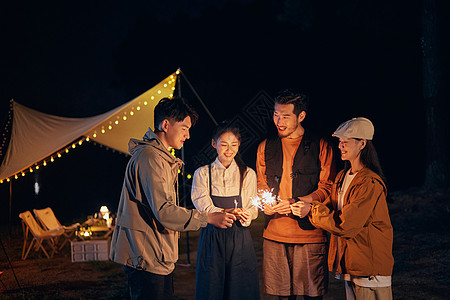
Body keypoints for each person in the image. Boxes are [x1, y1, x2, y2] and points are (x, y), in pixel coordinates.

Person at [109, 97, 236, 300]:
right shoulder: (150, 158)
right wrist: (209, 218)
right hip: (146, 257)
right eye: (184, 128)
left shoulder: (160, 157)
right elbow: (164, 211)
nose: (188, 135)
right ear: (166, 125)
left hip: (155, 255)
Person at [293, 117, 394, 300]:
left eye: (345, 142)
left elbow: (345, 224)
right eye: (340, 142)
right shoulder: (342, 176)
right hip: (351, 263)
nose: (340, 146)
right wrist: (299, 203)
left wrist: (312, 210)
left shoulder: (369, 183)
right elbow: (330, 208)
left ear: (362, 144)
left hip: (369, 268)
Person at [256, 89, 335, 300]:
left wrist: (296, 202)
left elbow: (327, 188)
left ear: (301, 116)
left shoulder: (321, 145)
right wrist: (267, 204)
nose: (278, 121)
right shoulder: (266, 146)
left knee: (311, 295)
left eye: (285, 116)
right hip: (274, 234)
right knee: (282, 296)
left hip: (310, 234)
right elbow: (261, 184)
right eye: (275, 114)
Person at [191, 123, 260, 300]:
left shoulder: (248, 174)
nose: (229, 150)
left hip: (239, 238)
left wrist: (247, 214)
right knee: (211, 286)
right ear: (214, 144)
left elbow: (253, 207)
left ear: (239, 144)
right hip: (212, 238)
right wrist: (224, 212)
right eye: (223, 144)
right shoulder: (203, 174)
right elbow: (202, 204)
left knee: (240, 287)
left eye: (234, 145)